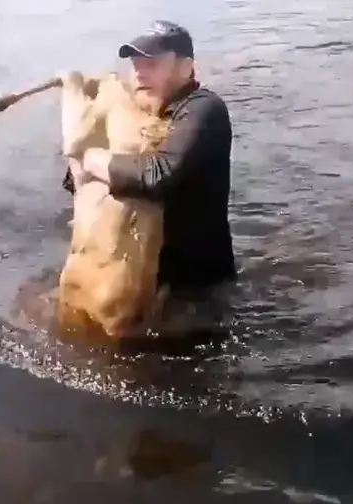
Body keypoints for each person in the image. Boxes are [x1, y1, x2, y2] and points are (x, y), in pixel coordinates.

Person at [62, 20, 236, 298]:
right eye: (136, 65)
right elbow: (79, 185)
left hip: (195, 288)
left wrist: (92, 159)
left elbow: (159, 175)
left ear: (185, 67)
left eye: (152, 65)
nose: (140, 74)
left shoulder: (204, 109)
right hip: (141, 278)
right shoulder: (141, 114)